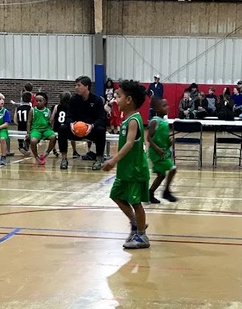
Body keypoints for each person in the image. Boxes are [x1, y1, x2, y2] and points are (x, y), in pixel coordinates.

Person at [102, 80, 150, 249]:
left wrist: (113, 160)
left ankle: (142, 236)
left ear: (128, 100)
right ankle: (136, 224)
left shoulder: (134, 120)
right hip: (125, 170)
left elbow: (129, 143)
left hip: (135, 170)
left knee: (136, 203)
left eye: (118, 96)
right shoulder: (126, 119)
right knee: (116, 195)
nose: (115, 99)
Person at [62, 76, 108, 170]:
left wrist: (91, 126)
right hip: (76, 130)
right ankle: (64, 159)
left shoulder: (97, 100)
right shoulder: (73, 99)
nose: (76, 88)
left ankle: (99, 158)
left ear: (86, 87)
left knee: (101, 130)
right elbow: (68, 116)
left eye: (78, 85)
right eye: (75, 85)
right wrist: (71, 124)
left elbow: (101, 119)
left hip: (90, 130)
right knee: (62, 129)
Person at [146, 97, 177, 204]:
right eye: (164, 106)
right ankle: (166, 191)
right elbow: (148, 138)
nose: (167, 107)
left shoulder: (164, 121)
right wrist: (157, 148)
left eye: (167, 105)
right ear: (157, 109)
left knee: (161, 175)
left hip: (163, 151)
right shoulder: (155, 121)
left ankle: (150, 193)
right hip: (156, 152)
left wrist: (169, 141)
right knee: (173, 169)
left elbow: (163, 136)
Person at [29, 92, 56, 165]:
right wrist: (28, 133)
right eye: (36, 101)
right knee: (33, 141)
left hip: (46, 129)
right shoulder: (32, 110)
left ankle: (46, 153)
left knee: (53, 137)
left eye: (40, 101)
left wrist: (51, 124)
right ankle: (36, 157)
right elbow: (29, 122)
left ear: (44, 102)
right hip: (36, 129)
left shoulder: (48, 110)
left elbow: (50, 121)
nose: (38, 102)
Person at [13, 91, 34, 158]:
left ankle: (21, 146)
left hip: (20, 125)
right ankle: (27, 144)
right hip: (28, 126)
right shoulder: (31, 108)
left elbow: (15, 119)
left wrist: (17, 123)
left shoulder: (18, 108)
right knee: (29, 135)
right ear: (30, 99)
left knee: (20, 137)